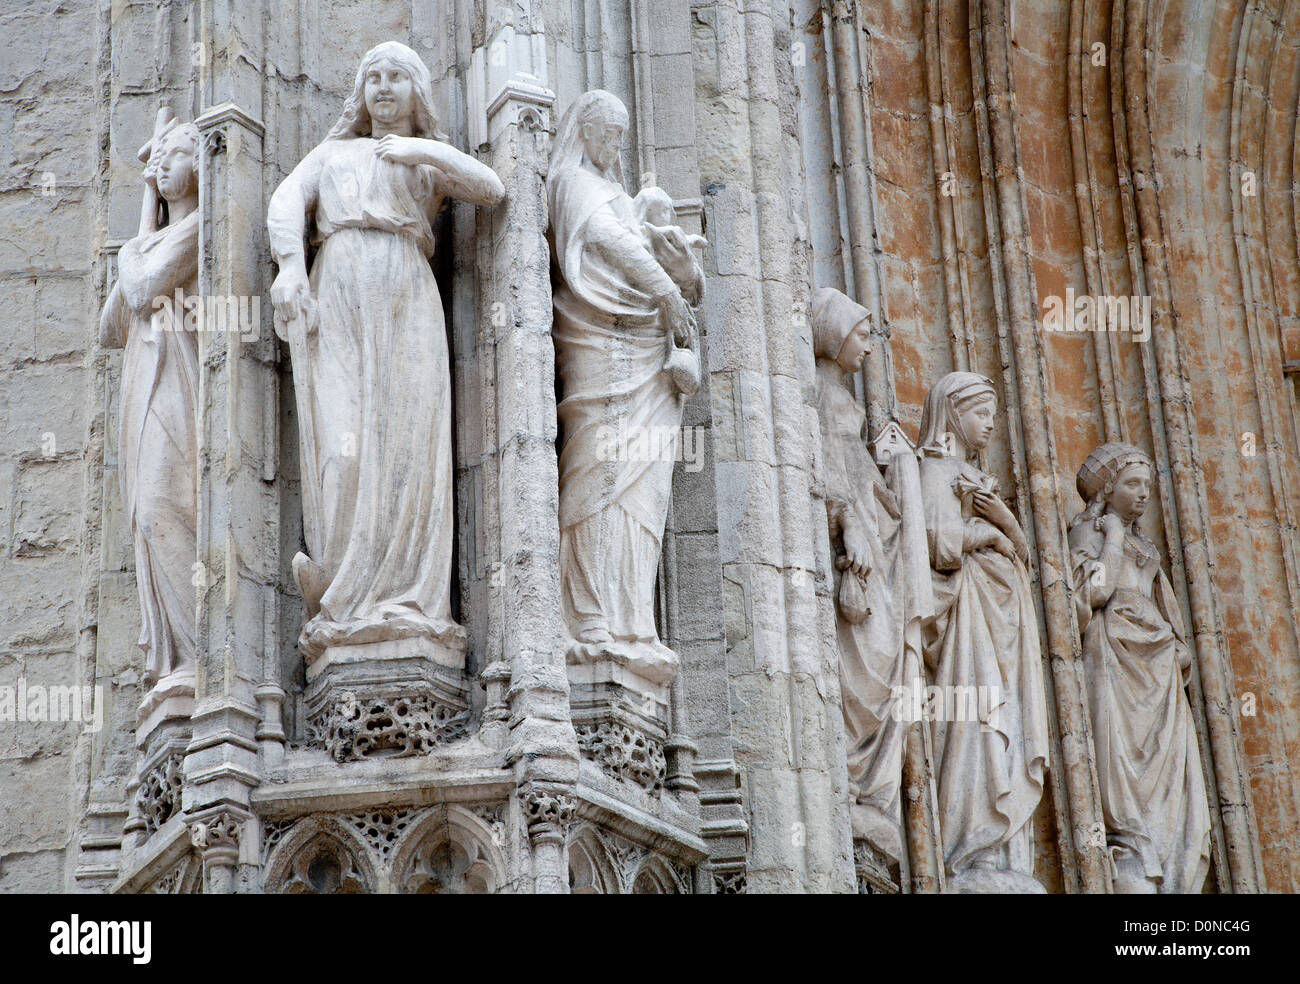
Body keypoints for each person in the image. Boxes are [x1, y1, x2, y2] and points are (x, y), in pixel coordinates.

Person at [267, 41, 504, 661]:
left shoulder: (422, 160)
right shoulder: (334, 152)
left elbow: (492, 188)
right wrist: (291, 265)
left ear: (416, 90)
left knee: (408, 447)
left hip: (406, 294)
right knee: (343, 451)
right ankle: (342, 590)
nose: (383, 87)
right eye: (372, 77)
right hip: (338, 292)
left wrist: (422, 148)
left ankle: (410, 600)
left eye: (397, 76)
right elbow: (286, 200)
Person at [547, 90, 703, 682]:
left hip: (645, 351)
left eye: (621, 132)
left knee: (645, 488)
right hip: (597, 341)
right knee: (595, 469)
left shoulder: (618, 194)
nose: (616, 144)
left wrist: (678, 275)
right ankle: (584, 616)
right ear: (583, 131)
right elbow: (609, 242)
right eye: (608, 132)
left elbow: (644, 244)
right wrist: (664, 288)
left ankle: (632, 620)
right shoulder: (574, 184)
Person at [917, 371, 1049, 890]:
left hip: (1004, 627)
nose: (991, 424)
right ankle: (970, 848)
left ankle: (1005, 849)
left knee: (1007, 728)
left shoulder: (980, 485)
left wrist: (1004, 523)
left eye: (994, 414)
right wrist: (987, 531)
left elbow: (1022, 558)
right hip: (967, 623)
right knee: (974, 726)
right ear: (952, 413)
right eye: (981, 413)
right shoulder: (934, 473)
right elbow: (935, 544)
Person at [1069, 442, 1211, 893]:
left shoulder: (1145, 546)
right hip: (1113, 651)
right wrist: (1111, 536)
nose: (1143, 494)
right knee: (1121, 757)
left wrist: (1176, 651)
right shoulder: (1088, 532)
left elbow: (1167, 613)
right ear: (1107, 489)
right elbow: (1095, 593)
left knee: (1167, 770)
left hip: (1159, 664)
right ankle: (1130, 851)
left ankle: (1170, 859)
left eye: (1147, 486)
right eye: (1132, 484)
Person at [99, 110, 200, 687]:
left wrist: (137, 243)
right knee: (144, 509)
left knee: (167, 501)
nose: (162, 168)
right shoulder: (156, 237)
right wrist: (145, 215)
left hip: (176, 375)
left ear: (202, 164)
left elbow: (140, 288)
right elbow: (111, 324)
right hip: (143, 373)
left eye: (176, 156)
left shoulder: (198, 227)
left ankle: (194, 657)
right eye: (156, 162)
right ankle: (176, 660)